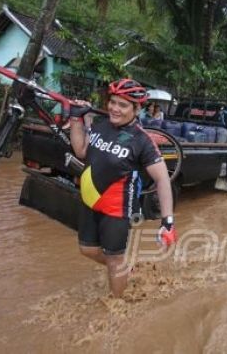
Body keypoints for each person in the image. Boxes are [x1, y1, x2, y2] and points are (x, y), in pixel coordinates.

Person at [69, 79, 176, 298]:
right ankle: (123, 267)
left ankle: (117, 308)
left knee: (114, 257)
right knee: (87, 250)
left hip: (117, 210)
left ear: (137, 109)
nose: (114, 108)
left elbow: (163, 179)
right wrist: (75, 118)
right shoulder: (100, 125)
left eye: (123, 105)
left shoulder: (142, 141)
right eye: (113, 102)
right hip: (90, 202)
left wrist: (168, 221)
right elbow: (80, 151)